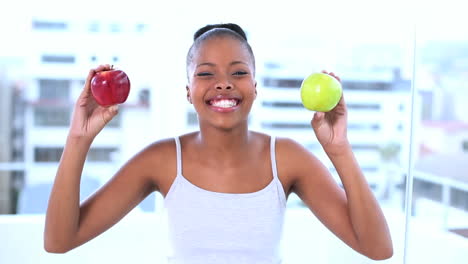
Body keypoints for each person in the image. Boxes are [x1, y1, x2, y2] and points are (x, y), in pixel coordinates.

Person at [44, 23, 393, 263]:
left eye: (239, 72)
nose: (224, 83)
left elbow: (378, 248)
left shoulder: (286, 158)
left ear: (255, 87)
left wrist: (339, 150)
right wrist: (79, 138)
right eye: (206, 73)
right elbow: (59, 241)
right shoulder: (163, 159)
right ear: (188, 91)